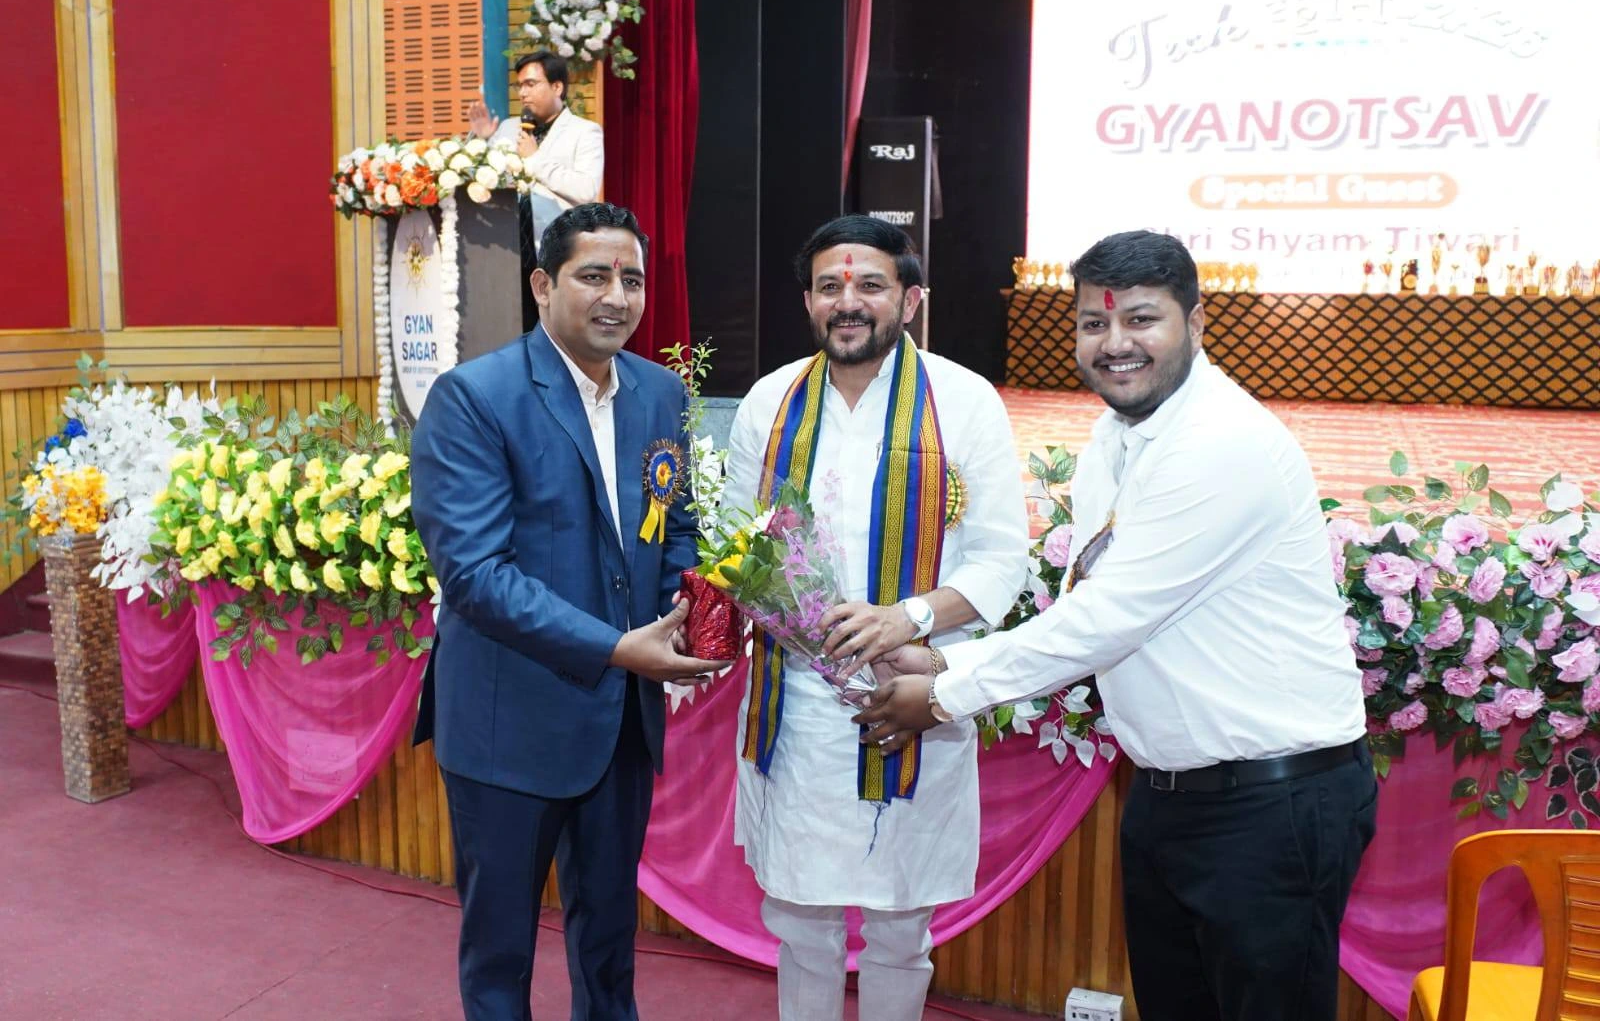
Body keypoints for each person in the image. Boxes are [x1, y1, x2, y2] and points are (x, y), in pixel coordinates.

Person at [855, 229, 1378, 1021]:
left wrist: (942, 691)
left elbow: (1109, 617)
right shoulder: (1117, 438)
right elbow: (1091, 602)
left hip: (1274, 804)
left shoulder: (1218, 445)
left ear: (1195, 323)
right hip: (1171, 795)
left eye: (1142, 320)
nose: (1116, 344)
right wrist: (944, 667)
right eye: (1095, 325)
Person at [410, 201, 726, 1021]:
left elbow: (674, 527)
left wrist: (693, 610)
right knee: (501, 950)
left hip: (621, 724)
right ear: (543, 285)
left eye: (633, 279)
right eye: (594, 276)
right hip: (507, 723)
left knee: (609, 941)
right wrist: (622, 648)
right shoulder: (475, 398)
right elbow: (477, 575)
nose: (616, 296)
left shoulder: (658, 393)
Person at [722, 215, 1029, 1021]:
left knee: (901, 926)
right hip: (799, 705)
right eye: (830, 287)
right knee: (802, 926)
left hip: (914, 696)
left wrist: (907, 620)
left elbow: (1002, 559)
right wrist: (781, 617)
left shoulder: (964, 402)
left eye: (869, 285)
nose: (847, 302)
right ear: (809, 302)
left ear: (911, 299)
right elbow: (737, 546)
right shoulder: (769, 401)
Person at [469, 50, 605, 212]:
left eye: (530, 84)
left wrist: (535, 160)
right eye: (520, 86)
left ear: (556, 87)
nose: (522, 93)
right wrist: (484, 138)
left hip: (561, 232)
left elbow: (586, 191)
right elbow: (484, 178)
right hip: (508, 229)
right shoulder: (508, 127)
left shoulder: (585, 131)